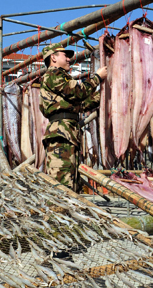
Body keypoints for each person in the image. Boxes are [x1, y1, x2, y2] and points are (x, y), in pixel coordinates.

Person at [39, 43, 108, 188]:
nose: (69, 59)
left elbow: (81, 105)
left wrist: (104, 95)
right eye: (66, 55)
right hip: (61, 134)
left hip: (67, 133)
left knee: (71, 181)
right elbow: (77, 92)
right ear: (53, 57)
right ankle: (57, 211)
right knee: (62, 186)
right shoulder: (53, 74)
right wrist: (97, 78)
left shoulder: (60, 79)